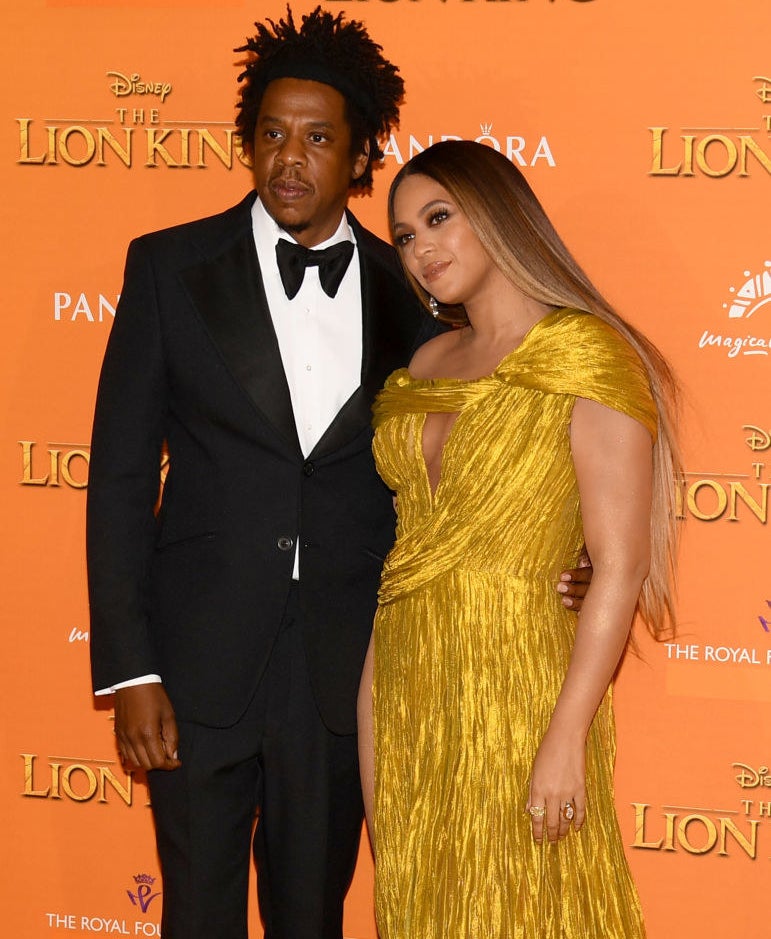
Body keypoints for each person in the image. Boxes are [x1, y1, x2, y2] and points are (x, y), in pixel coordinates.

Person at [87, 9, 590, 939]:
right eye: (272, 134)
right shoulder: (167, 267)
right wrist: (130, 669)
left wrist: (568, 550)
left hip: (346, 667)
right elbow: (118, 477)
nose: (290, 158)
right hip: (194, 666)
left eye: (318, 138)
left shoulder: (413, 287)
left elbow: (486, 445)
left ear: (358, 155)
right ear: (247, 143)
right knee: (194, 915)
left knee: (311, 916)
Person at [358, 140, 680, 939]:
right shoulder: (428, 360)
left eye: (438, 218)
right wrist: (370, 705)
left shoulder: (585, 353)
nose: (421, 249)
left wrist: (565, 734)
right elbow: (405, 559)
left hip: (521, 678)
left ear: (499, 216)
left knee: (535, 905)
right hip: (401, 673)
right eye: (402, 236)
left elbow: (618, 563)